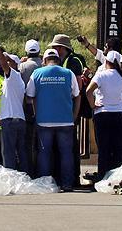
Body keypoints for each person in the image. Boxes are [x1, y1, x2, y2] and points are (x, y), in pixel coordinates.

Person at [26, 48, 81, 192]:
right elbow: (77, 95)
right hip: (66, 120)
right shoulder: (68, 73)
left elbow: (29, 96)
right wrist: (74, 115)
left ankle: (45, 184)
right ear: (58, 60)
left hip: (44, 121)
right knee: (66, 153)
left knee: (44, 153)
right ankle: (67, 184)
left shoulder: (37, 73)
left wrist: (36, 112)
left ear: (44, 61)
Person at [86, 50, 122, 181]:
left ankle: (102, 177)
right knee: (117, 147)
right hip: (118, 114)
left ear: (106, 62)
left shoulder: (101, 75)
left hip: (102, 114)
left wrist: (93, 105)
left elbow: (89, 91)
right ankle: (117, 178)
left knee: (103, 148)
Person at [49, 34, 90, 174]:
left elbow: (77, 88)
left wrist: (74, 112)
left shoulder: (73, 61)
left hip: (71, 107)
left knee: (70, 144)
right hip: (65, 106)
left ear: (61, 48)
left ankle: (73, 176)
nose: (54, 50)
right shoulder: (63, 60)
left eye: (55, 47)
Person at [0, 37, 29, 173]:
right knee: (21, 151)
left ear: (13, 64)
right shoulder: (18, 80)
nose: (5, 64)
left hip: (10, 121)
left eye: (9, 62)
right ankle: (24, 175)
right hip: (19, 119)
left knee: (9, 152)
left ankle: (11, 177)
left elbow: (3, 63)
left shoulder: (12, 76)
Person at [18, 39, 42, 175]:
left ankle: (28, 171)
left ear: (26, 52)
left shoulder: (22, 67)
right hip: (43, 106)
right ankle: (41, 170)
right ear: (39, 51)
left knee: (27, 142)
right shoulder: (44, 65)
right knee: (41, 142)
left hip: (26, 107)